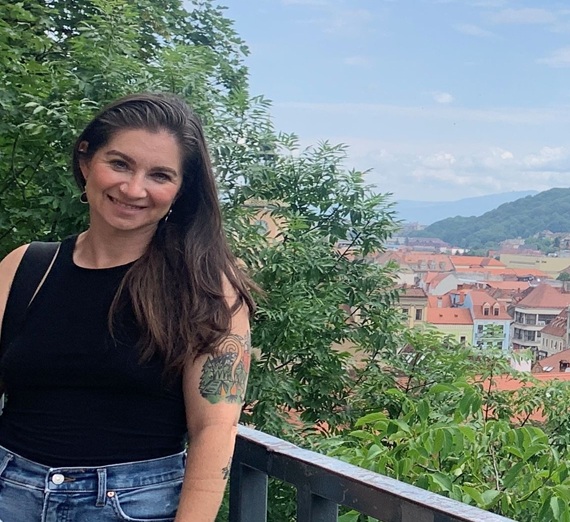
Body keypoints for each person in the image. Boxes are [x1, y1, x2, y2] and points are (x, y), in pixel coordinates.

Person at [0, 92, 255, 521]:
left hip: (133, 506)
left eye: (160, 175)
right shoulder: (25, 266)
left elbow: (214, 428)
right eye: (119, 164)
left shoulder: (205, 286)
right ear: (86, 162)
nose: (134, 188)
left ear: (180, 191)